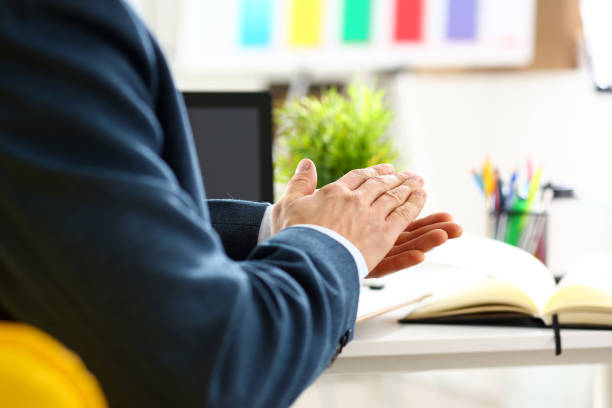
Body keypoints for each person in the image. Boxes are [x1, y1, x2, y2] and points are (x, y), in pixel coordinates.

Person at [0, 0, 462, 407]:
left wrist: (277, 229)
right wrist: (329, 245)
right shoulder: (41, 22)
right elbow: (210, 363)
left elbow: (61, 225)